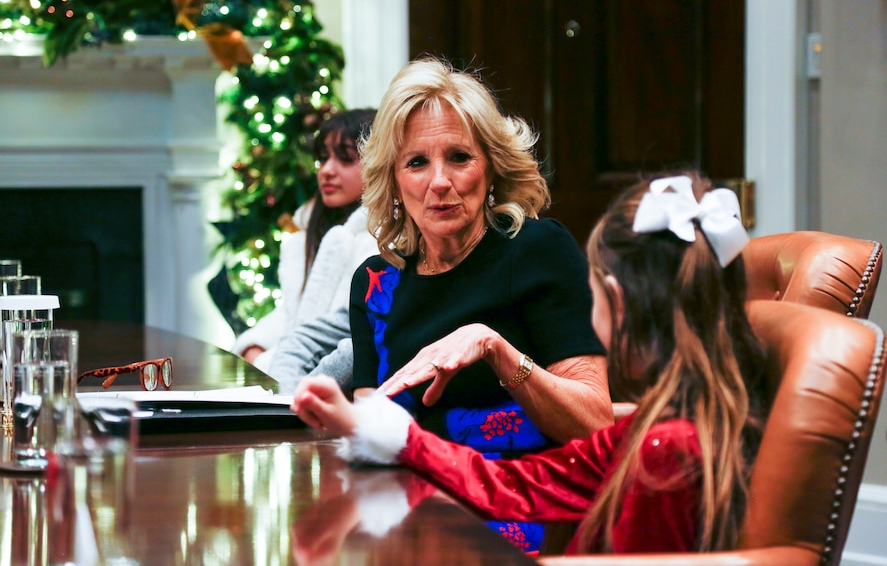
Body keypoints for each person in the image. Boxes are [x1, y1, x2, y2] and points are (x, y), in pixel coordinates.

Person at [291, 172, 770, 556]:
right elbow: (518, 486)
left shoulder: (667, 449)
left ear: (615, 302)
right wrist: (387, 433)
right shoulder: (664, 426)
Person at [350, 57, 612, 456]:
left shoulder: (537, 250)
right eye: (417, 162)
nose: (439, 182)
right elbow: (370, 432)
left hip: (522, 501)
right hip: (415, 498)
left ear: (491, 169)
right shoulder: (376, 284)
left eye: (459, 157)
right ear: (394, 182)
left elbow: (594, 425)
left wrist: (495, 348)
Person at [232, 109, 378, 372]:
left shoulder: (382, 239)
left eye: (345, 159)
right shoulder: (305, 237)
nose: (327, 171)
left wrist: (267, 363)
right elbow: (293, 314)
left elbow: (344, 334)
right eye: (323, 159)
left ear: (379, 162)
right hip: (293, 371)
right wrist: (253, 346)